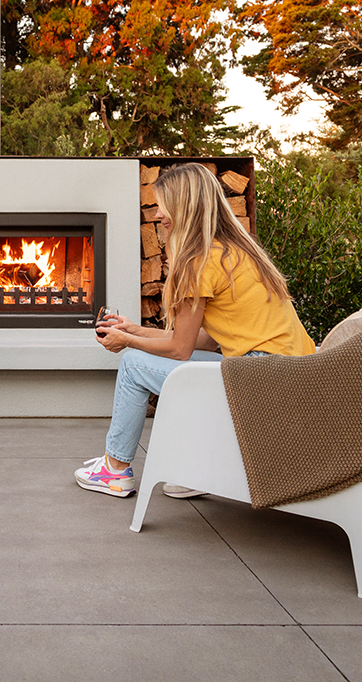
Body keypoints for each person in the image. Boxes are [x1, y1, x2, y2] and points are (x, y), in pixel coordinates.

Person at [75, 163, 316, 498]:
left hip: (260, 380)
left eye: (164, 205)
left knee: (132, 366)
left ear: (184, 208)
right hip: (293, 375)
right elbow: (202, 341)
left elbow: (180, 351)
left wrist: (127, 342)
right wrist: (134, 329)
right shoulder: (234, 251)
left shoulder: (197, 261)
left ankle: (114, 471)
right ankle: (195, 471)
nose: (158, 214)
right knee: (151, 359)